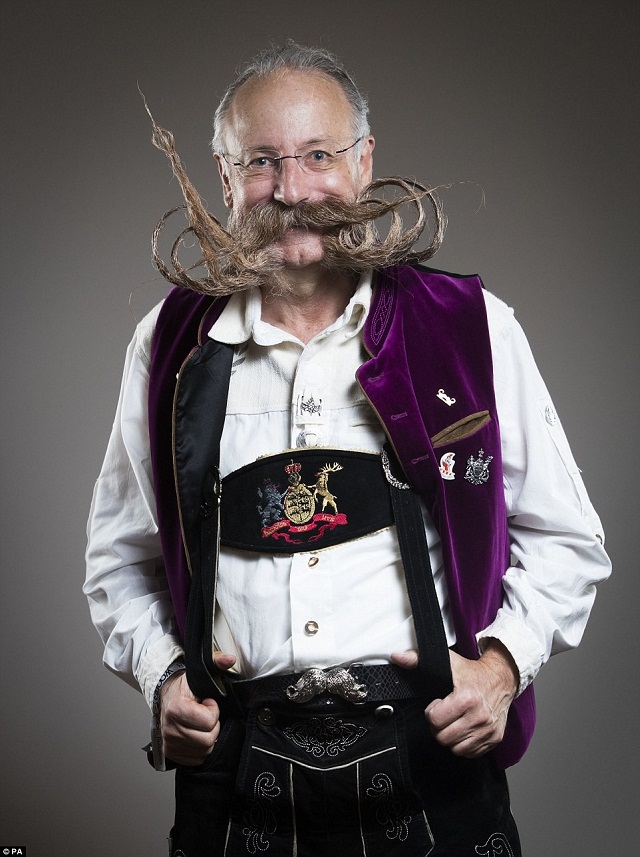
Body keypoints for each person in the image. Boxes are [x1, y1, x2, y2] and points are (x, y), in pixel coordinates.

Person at [84, 42, 611, 857]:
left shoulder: (470, 328)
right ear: (226, 180)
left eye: (318, 156)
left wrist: (501, 668)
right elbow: (120, 559)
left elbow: (569, 540)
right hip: (235, 770)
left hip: (430, 753)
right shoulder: (170, 347)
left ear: (363, 164)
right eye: (261, 162)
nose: (291, 191)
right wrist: (160, 673)